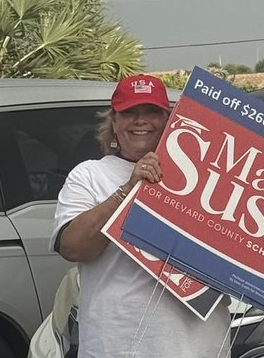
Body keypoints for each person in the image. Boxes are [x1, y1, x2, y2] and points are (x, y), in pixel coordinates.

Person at [53, 74, 231, 358]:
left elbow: (248, 247)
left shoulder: (208, 178)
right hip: (117, 348)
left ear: (170, 119)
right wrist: (128, 190)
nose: (140, 120)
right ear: (113, 121)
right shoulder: (89, 175)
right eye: (129, 112)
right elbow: (73, 247)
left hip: (201, 348)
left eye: (151, 112)